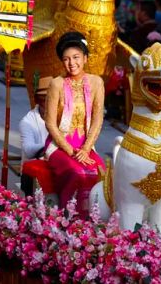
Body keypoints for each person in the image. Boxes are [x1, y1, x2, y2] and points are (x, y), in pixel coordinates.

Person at [44, 32, 106, 215]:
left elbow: (97, 119)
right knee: (77, 173)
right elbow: (50, 123)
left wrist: (86, 149)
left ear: (85, 58)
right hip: (59, 147)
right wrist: (71, 152)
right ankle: (69, 218)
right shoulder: (56, 84)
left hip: (85, 148)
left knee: (100, 174)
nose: (72, 63)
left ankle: (93, 222)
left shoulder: (96, 83)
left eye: (76, 57)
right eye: (66, 59)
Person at [19, 76, 51, 196]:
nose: (49, 104)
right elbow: (28, 150)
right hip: (32, 174)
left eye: (53, 99)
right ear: (37, 100)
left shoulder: (64, 118)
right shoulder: (27, 122)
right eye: (45, 99)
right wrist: (52, 144)